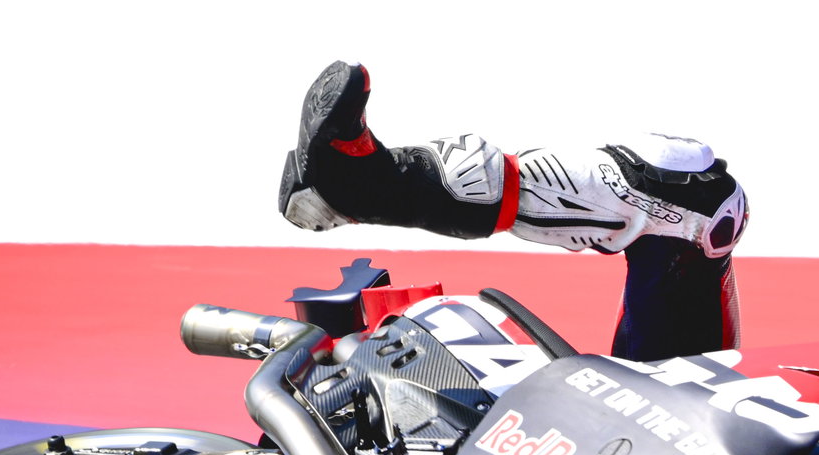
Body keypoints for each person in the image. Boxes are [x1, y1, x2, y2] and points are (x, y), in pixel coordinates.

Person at [277, 61, 747, 363]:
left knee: (698, 204)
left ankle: (366, 188)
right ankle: (367, 186)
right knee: (688, 198)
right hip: (660, 431)